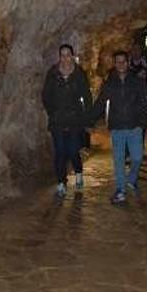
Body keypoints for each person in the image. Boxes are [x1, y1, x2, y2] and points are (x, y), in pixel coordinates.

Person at [91, 50, 147, 204]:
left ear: (128, 62)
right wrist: (89, 119)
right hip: (117, 126)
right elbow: (100, 103)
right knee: (118, 160)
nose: (121, 64)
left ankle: (131, 179)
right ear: (114, 63)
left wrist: (142, 123)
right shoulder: (110, 83)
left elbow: (145, 103)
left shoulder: (137, 82)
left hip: (134, 126)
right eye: (117, 61)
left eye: (123, 61)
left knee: (137, 157)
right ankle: (120, 190)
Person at [42, 44, 92, 198]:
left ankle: (78, 173)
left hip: (74, 118)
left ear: (72, 56)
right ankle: (61, 183)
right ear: (59, 57)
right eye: (62, 55)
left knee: (72, 149)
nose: (65, 58)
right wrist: (52, 112)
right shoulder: (53, 73)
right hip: (57, 119)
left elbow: (87, 96)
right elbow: (46, 95)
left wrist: (87, 117)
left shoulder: (78, 74)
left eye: (67, 55)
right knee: (60, 151)